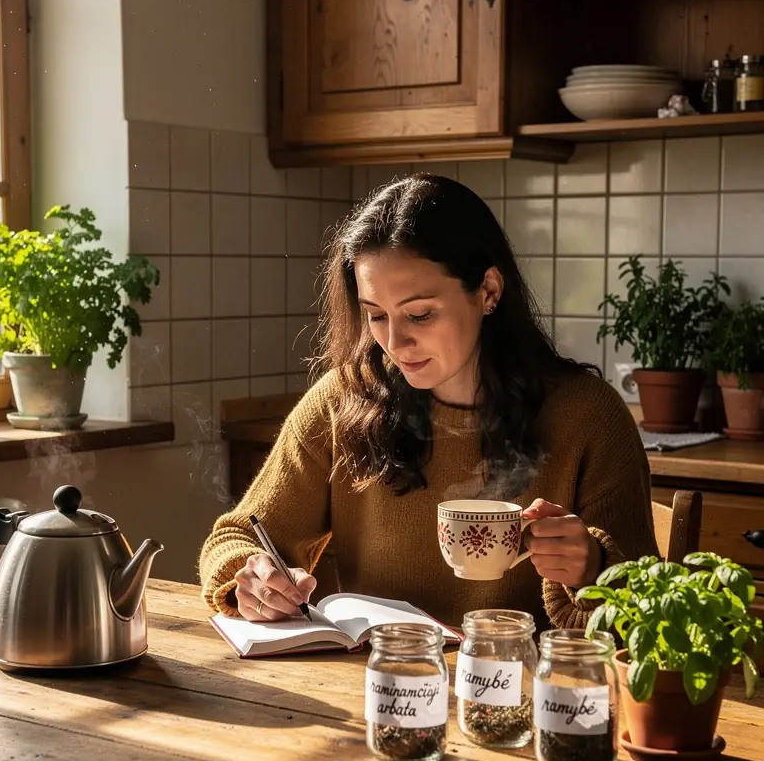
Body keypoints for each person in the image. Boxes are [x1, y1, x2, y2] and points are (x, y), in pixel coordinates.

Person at [201, 174, 657, 630]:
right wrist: (252, 578)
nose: (395, 343)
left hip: (521, 688)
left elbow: (649, 607)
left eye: (420, 314)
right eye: (376, 315)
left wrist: (592, 567)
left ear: (489, 291)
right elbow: (237, 536)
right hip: (382, 683)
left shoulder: (588, 416)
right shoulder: (345, 400)